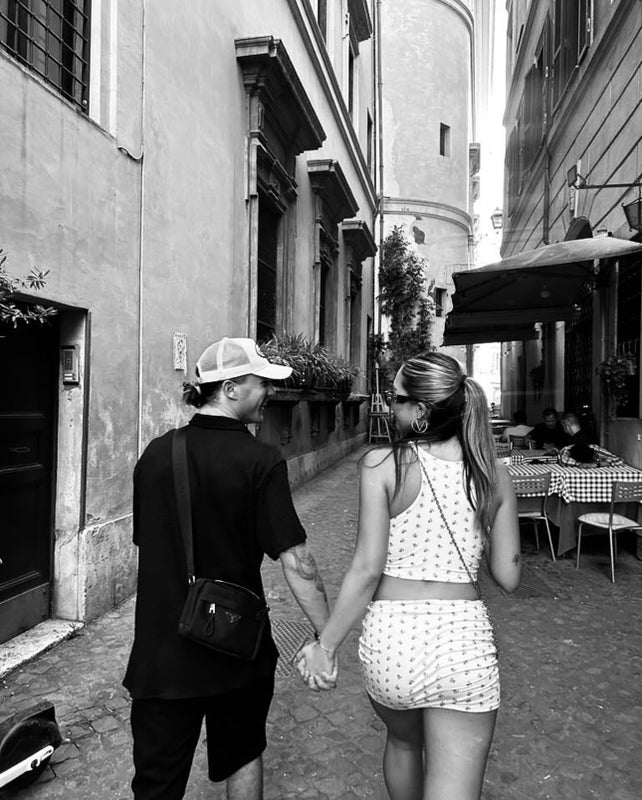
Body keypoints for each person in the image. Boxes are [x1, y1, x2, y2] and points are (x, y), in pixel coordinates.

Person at [296, 352, 521, 800]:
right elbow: (508, 576)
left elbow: (366, 569)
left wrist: (326, 646)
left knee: (402, 742)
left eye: (396, 398)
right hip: (461, 646)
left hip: (393, 644)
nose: (388, 405)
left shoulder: (381, 464)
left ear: (420, 410)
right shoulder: (492, 473)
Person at [123, 336, 335, 800]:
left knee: (156, 784)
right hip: (236, 645)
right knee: (242, 753)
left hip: (162, 652)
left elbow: (148, 542)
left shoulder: (156, 453)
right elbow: (298, 562)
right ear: (232, 388)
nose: (270, 392)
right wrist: (327, 636)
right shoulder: (260, 460)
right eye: (262, 383)